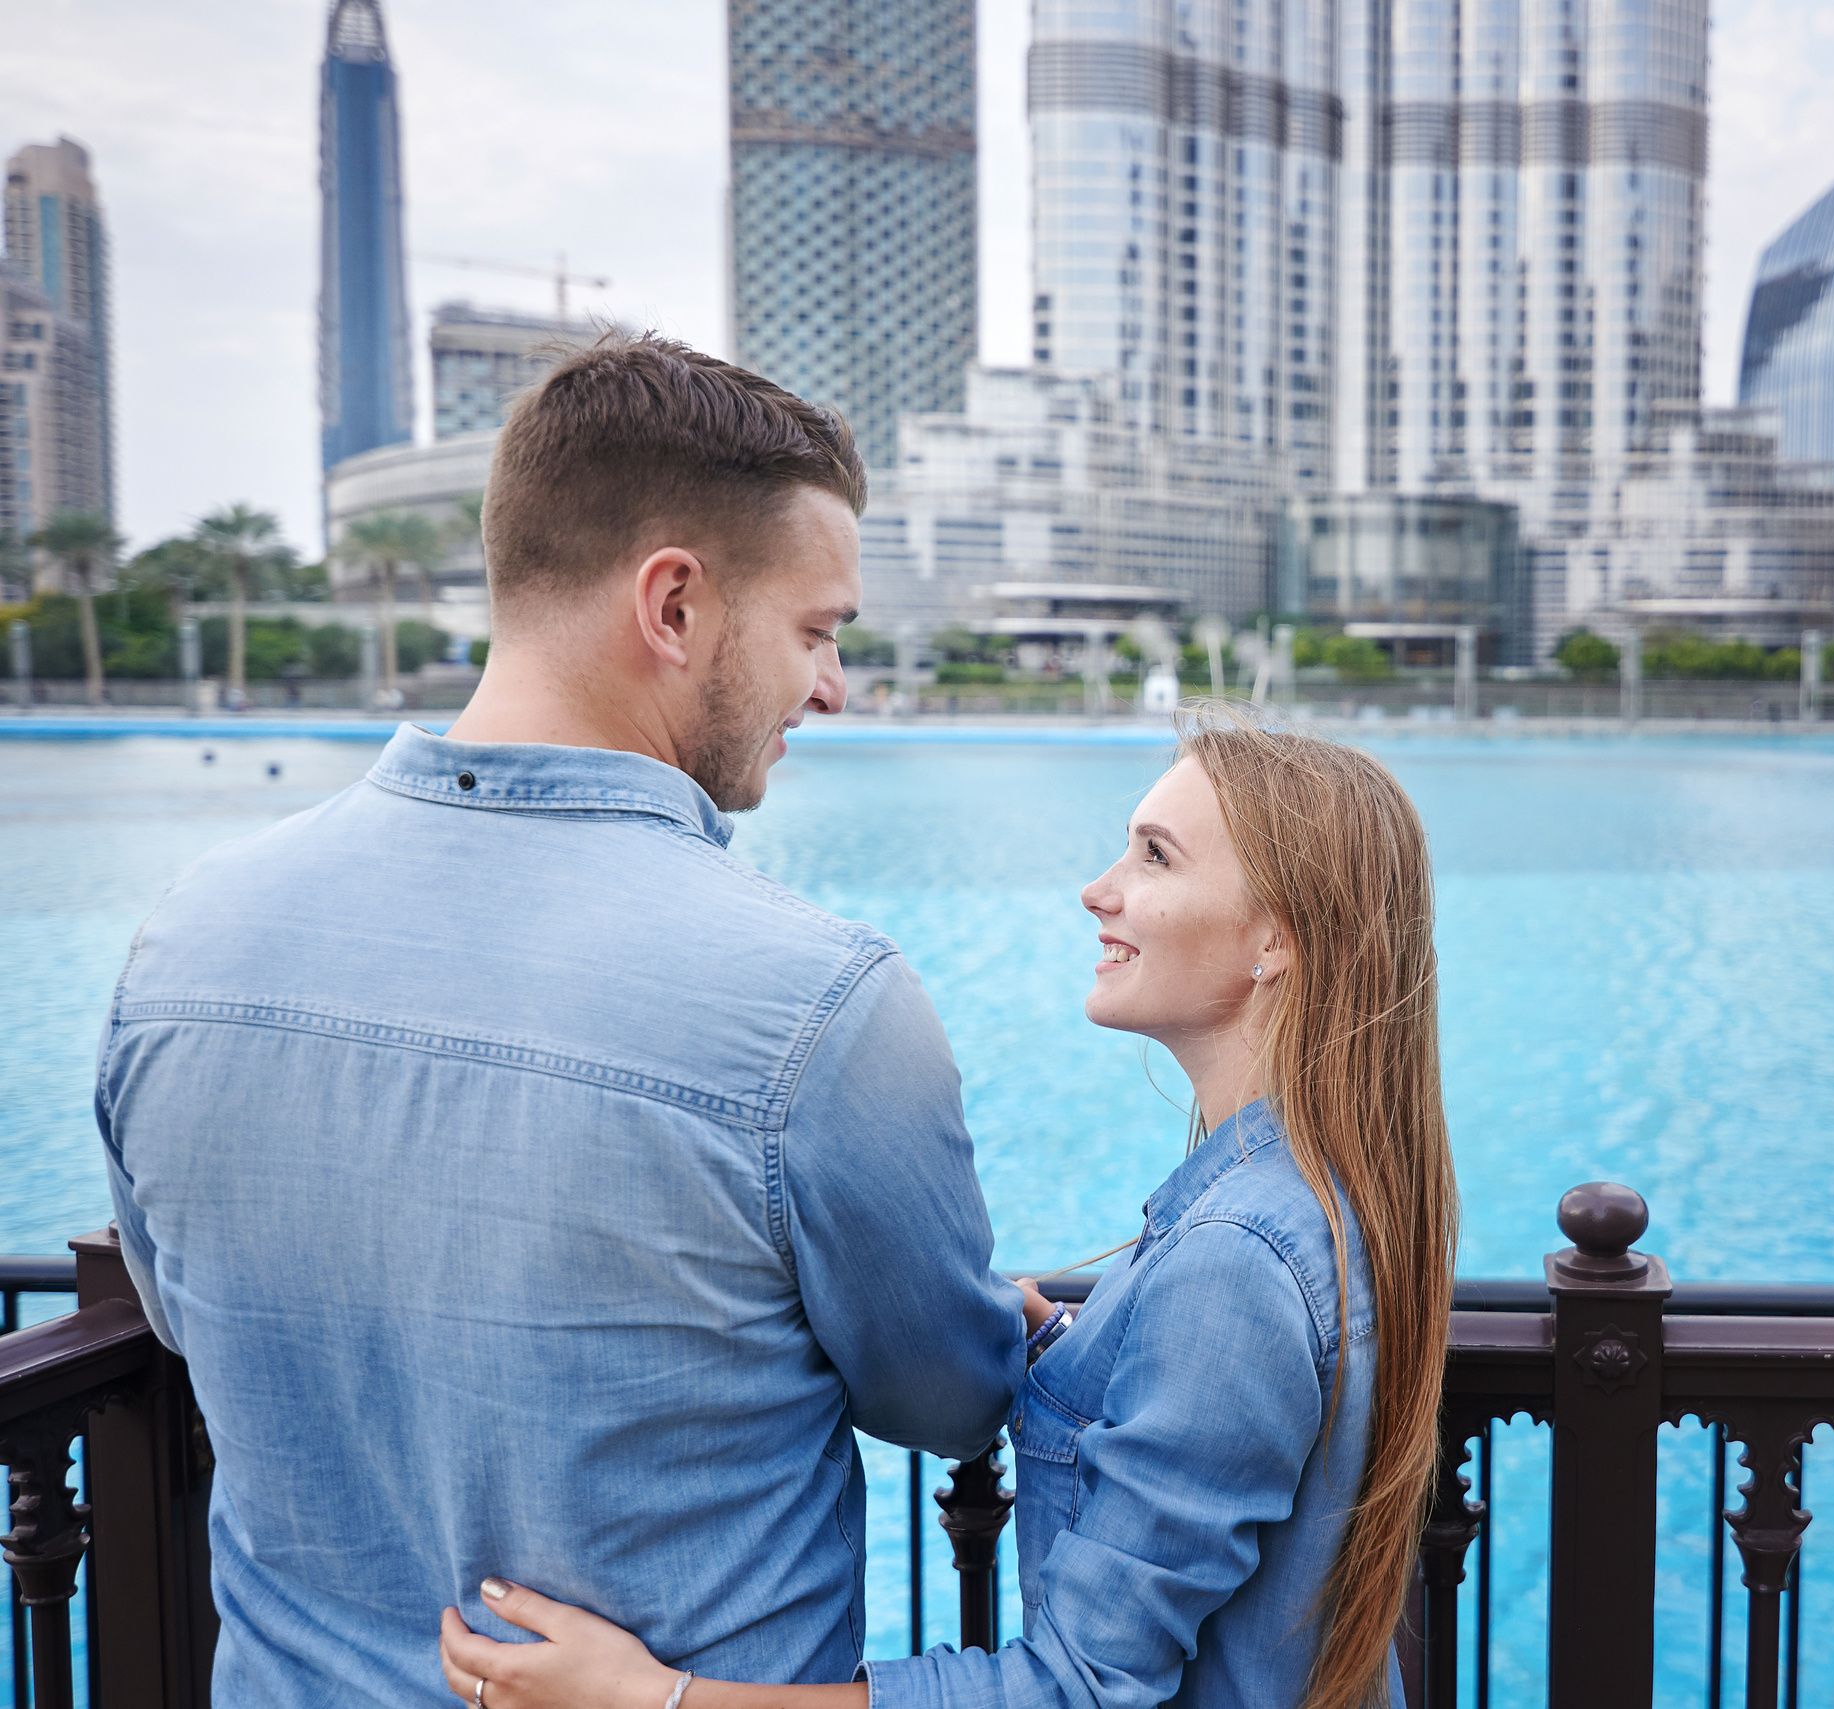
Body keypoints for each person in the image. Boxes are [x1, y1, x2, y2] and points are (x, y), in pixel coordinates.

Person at [95, 333, 1025, 1706]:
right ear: (674, 606)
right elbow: (946, 1397)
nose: (832, 686)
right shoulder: (818, 1008)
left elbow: (177, 1314)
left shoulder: (182, 942)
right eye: (818, 632)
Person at [436, 712, 1459, 1709]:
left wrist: (659, 1696)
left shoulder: (1235, 1255)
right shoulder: (1293, 1197)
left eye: (1154, 856)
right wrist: (1063, 1341)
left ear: (1276, 934)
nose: (1097, 889)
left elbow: (1077, 1687)